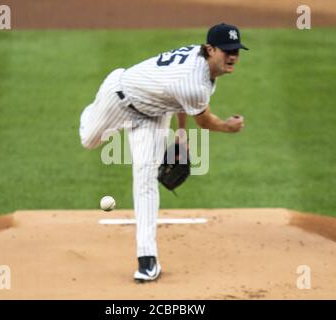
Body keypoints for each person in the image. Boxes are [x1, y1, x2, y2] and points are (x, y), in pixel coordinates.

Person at [79, 23, 247, 282]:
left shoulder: (200, 65)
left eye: (236, 50)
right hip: (119, 96)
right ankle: (92, 111)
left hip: (154, 115)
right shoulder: (194, 83)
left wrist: (180, 133)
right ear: (210, 49)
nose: (233, 56)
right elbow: (203, 119)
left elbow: (180, 100)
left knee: (145, 180)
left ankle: (147, 260)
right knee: (89, 140)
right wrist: (228, 126)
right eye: (227, 51)